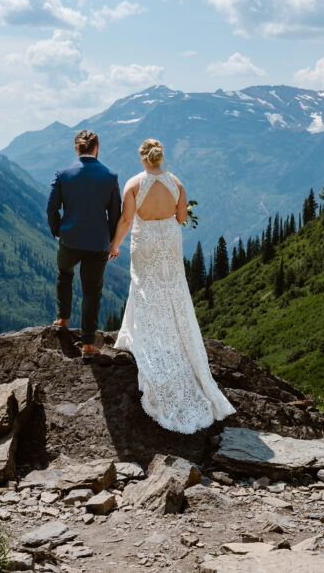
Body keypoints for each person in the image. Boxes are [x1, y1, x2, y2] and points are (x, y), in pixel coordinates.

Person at [110, 138, 236, 433]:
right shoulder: (176, 182)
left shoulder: (133, 184)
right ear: (160, 158)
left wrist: (114, 244)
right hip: (168, 239)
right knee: (173, 289)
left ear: (142, 158)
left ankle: (145, 339)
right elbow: (181, 216)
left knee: (144, 288)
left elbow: (127, 218)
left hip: (145, 241)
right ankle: (178, 340)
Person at [47, 130, 121, 357]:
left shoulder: (63, 174)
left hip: (69, 239)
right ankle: (88, 344)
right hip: (98, 243)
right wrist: (110, 240)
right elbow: (115, 214)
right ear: (97, 148)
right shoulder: (110, 176)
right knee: (92, 293)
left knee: (64, 273)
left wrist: (58, 231)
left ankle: (62, 318)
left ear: (76, 148)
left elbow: (52, 207)